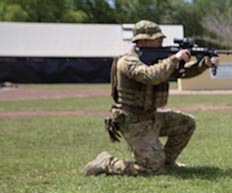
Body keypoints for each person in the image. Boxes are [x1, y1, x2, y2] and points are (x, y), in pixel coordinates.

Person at [81, 20, 219, 176]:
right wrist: (174, 59)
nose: (161, 41)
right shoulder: (127, 61)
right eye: (157, 39)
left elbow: (181, 73)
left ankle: (167, 162)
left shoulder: (158, 60)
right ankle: (107, 163)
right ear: (143, 40)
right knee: (151, 168)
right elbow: (150, 76)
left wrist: (203, 64)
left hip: (152, 117)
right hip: (133, 121)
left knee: (186, 123)